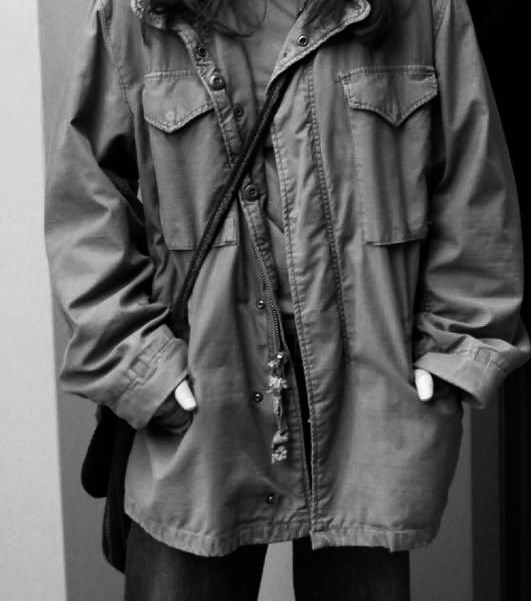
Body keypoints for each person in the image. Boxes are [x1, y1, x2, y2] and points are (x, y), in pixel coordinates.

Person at [44, 0, 530, 599]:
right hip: (202, 406)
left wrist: (453, 353)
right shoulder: (138, 14)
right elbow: (85, 203)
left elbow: (474, 188)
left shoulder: (421, 10)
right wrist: (140, 367)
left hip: (371, 407)